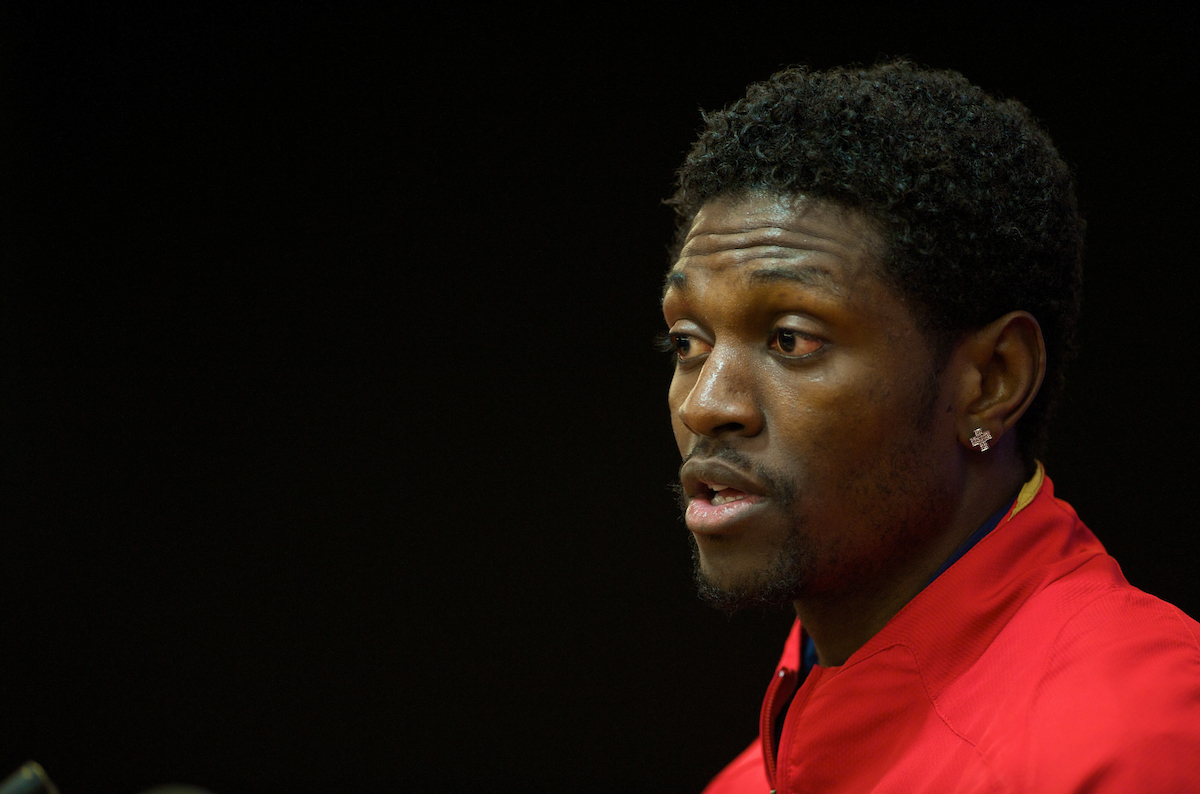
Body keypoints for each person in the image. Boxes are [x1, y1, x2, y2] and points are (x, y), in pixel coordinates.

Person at [659, 60, 1200, 793]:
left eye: (791, 338)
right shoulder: (748, 782)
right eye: (688, 341)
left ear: (991, 382)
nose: (704, 404)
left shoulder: (1137, 738)